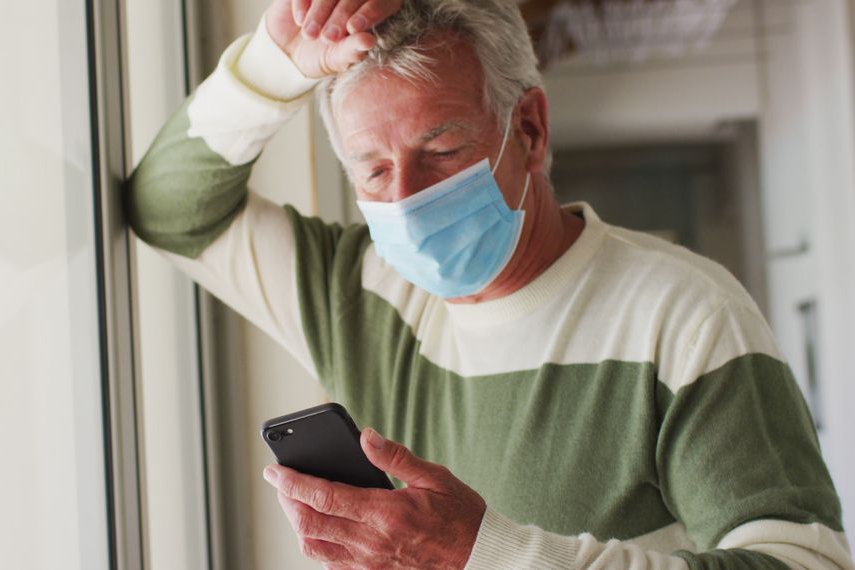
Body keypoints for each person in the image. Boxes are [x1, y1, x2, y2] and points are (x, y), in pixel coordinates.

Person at [126, 0, 854, 567]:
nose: (406, 198)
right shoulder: (355, 288)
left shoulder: (683, 313)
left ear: (530, 130)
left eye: (441, 149)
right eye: (373, 170)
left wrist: (481, 555)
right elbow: (169, 209)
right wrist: (275, 64)